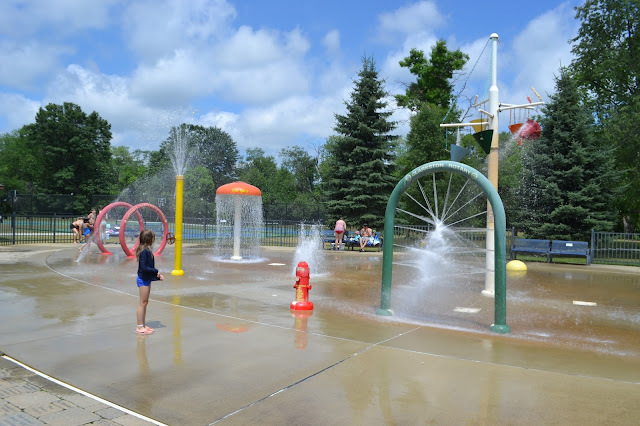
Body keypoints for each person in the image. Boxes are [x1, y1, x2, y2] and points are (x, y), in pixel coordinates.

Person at [135, 229, 164, 335]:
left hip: (146, 279)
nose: (154, 240)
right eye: (153, 238)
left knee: (145, 302)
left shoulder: (147, 251)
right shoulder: (144, 252)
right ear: (149, 239)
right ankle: (139, 327)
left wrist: (157, 276)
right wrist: (156, 271)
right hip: (143, 280)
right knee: (142, 303)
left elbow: (148, 268)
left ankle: (142, 325)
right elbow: (143, 268)